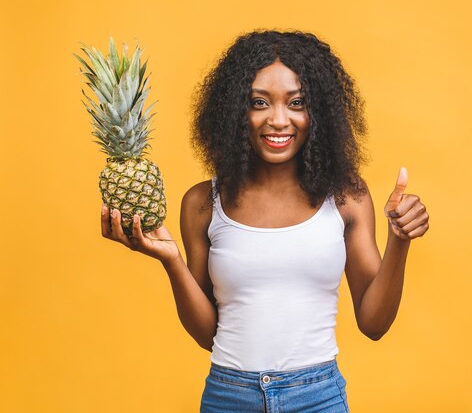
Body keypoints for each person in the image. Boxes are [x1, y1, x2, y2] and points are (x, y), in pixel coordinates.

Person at [100, 29, 429, 413]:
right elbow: (210, 335)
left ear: (318, 111)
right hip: (228, 396)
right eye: (259, 102)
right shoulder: (203, 203)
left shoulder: (345, 197)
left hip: (317, 397)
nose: (278, 120)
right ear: (235, 111)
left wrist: (399, 239)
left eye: (297, 102)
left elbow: (374, 324)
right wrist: (171, 261)